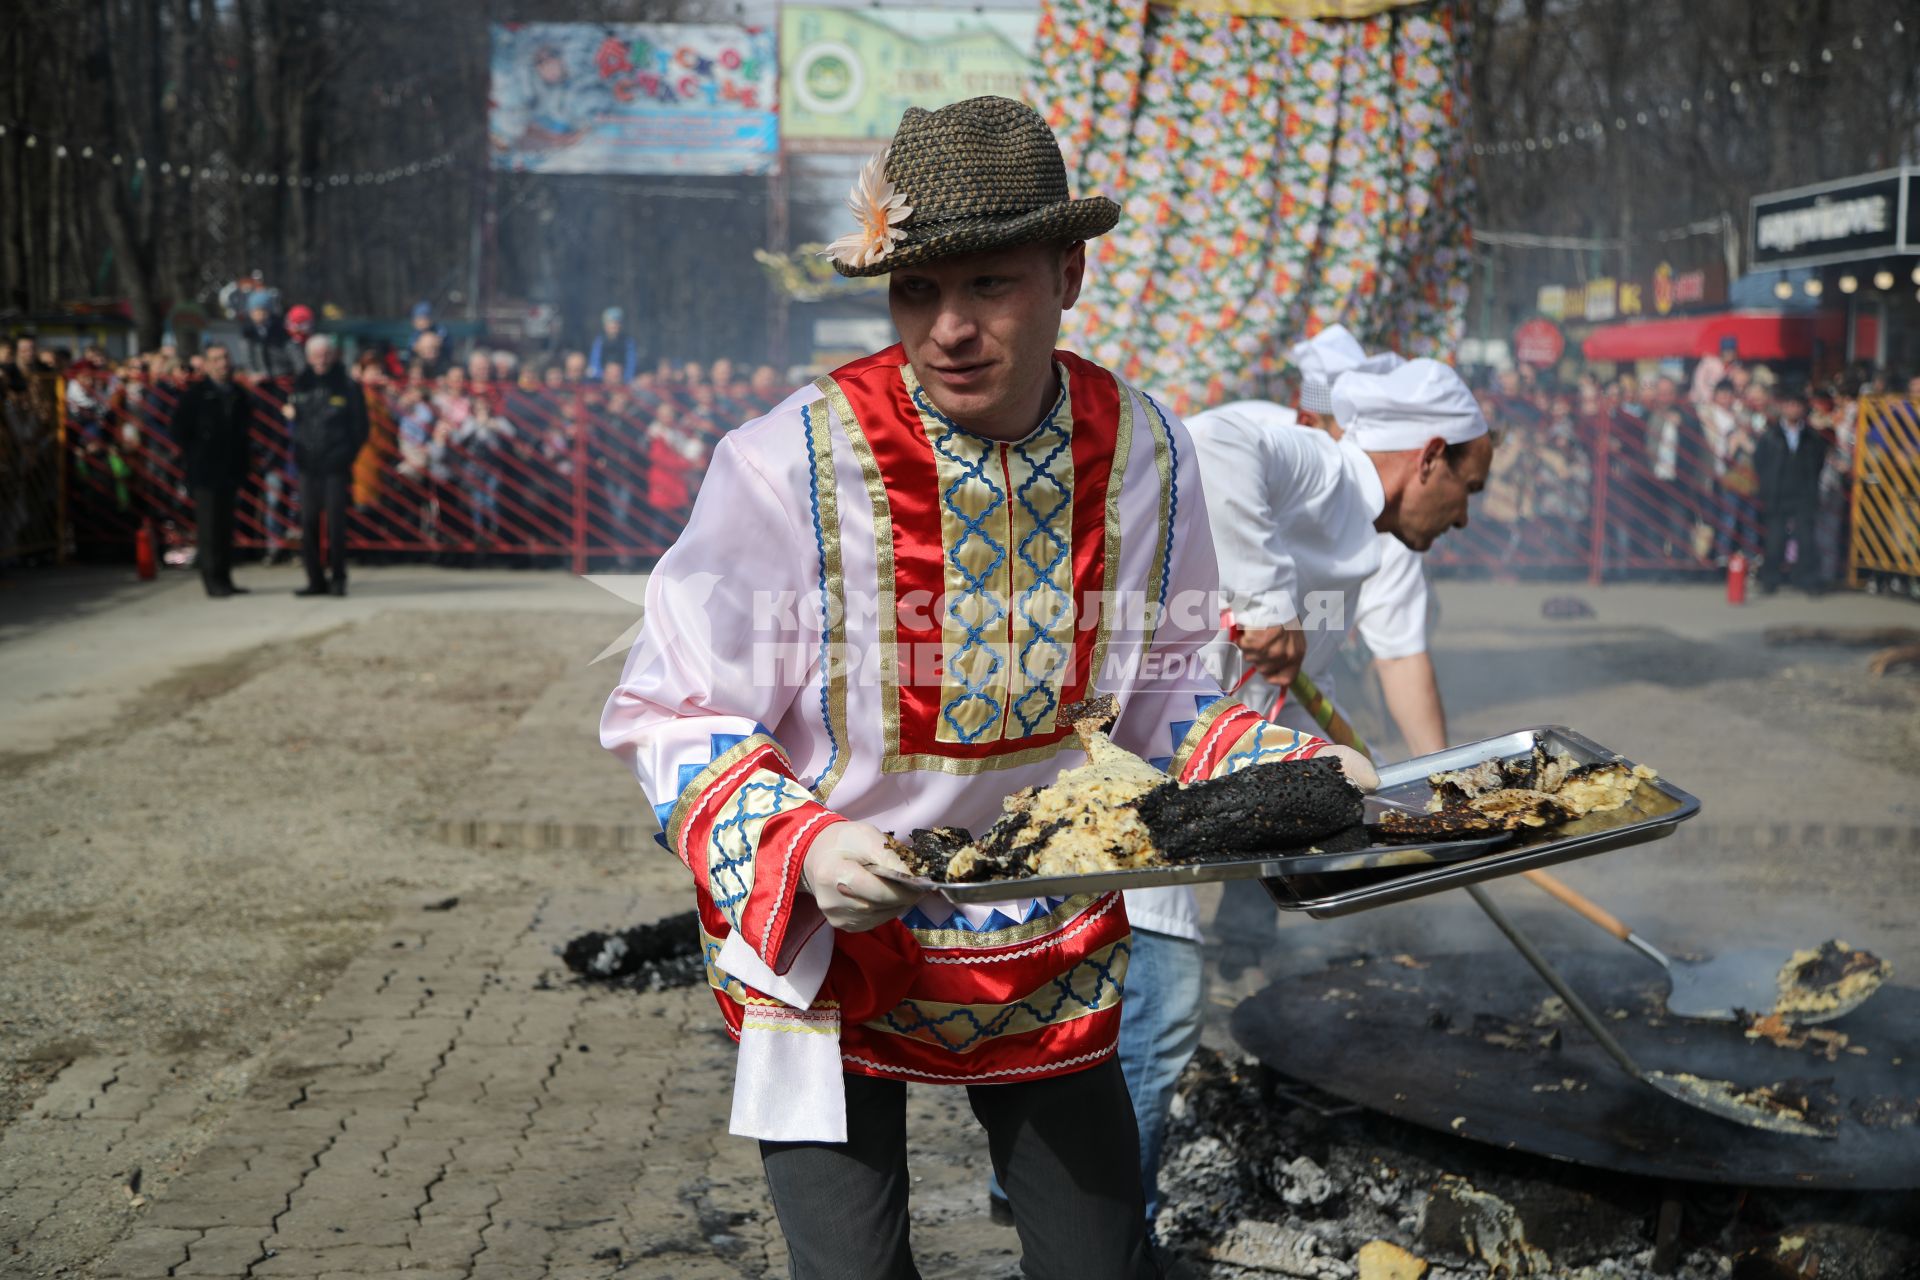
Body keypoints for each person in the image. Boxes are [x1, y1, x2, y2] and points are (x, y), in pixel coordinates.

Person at [598, 95, 1374, 1280]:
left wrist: (1275, 765)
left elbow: (1165, 703)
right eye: (917, 292)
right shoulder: (783, 462)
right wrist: (797, 842)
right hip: (829, 931)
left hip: (1045, 931)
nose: (949, 329)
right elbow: (674, 706)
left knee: (1097, 1261)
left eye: (991, 286)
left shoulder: (1149, 452)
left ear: (1069, 271)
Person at [285, 335, 368, 596]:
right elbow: (297, 420)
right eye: (316, 354)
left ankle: (338, 577)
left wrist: (346, 454)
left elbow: (360, 426)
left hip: (336, 463)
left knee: (336, 524)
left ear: (333, 355)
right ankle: (314, 580)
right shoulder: (301, 383)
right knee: (307, 522)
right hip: (308, 464)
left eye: (325, 354)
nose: (321, 359)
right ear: (309, 357)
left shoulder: (346, 385)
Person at [171, 344, 254, 597]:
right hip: (205, 471)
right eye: (216, 359)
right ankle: (212, 579)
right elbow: (179, 431)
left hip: (230, 470)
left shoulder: (238, 394)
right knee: (209, 529)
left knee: (226, 528)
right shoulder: (196, 395)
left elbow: (244, 431)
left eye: (225, 358)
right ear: (206, 365)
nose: (223, 364)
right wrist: (198, 453)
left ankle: (226, 578)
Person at [1754, 388, 1828, 596]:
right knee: (1775, 540)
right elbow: (1760, 461)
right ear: (1783, 407)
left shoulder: (1812, 437)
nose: (1793, 409)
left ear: (1803, 409)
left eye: (1797, 405)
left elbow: (1818, 462)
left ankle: (1806, 580)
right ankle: (1770, 580)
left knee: (1806, 539)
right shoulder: (1770, 435)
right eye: (1789, 404)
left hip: (1804, 492)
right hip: (1777, 493)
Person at [587, 308, 638, 384]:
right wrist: (602, 375)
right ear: (605, 325)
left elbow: (631, 363)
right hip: (602, 380)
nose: (614, 326)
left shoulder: (628, 342)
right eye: (611, 323)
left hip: (622, 381)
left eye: (617, 323)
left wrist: (625, 377)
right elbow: (595, 362)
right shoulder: (599, 342)